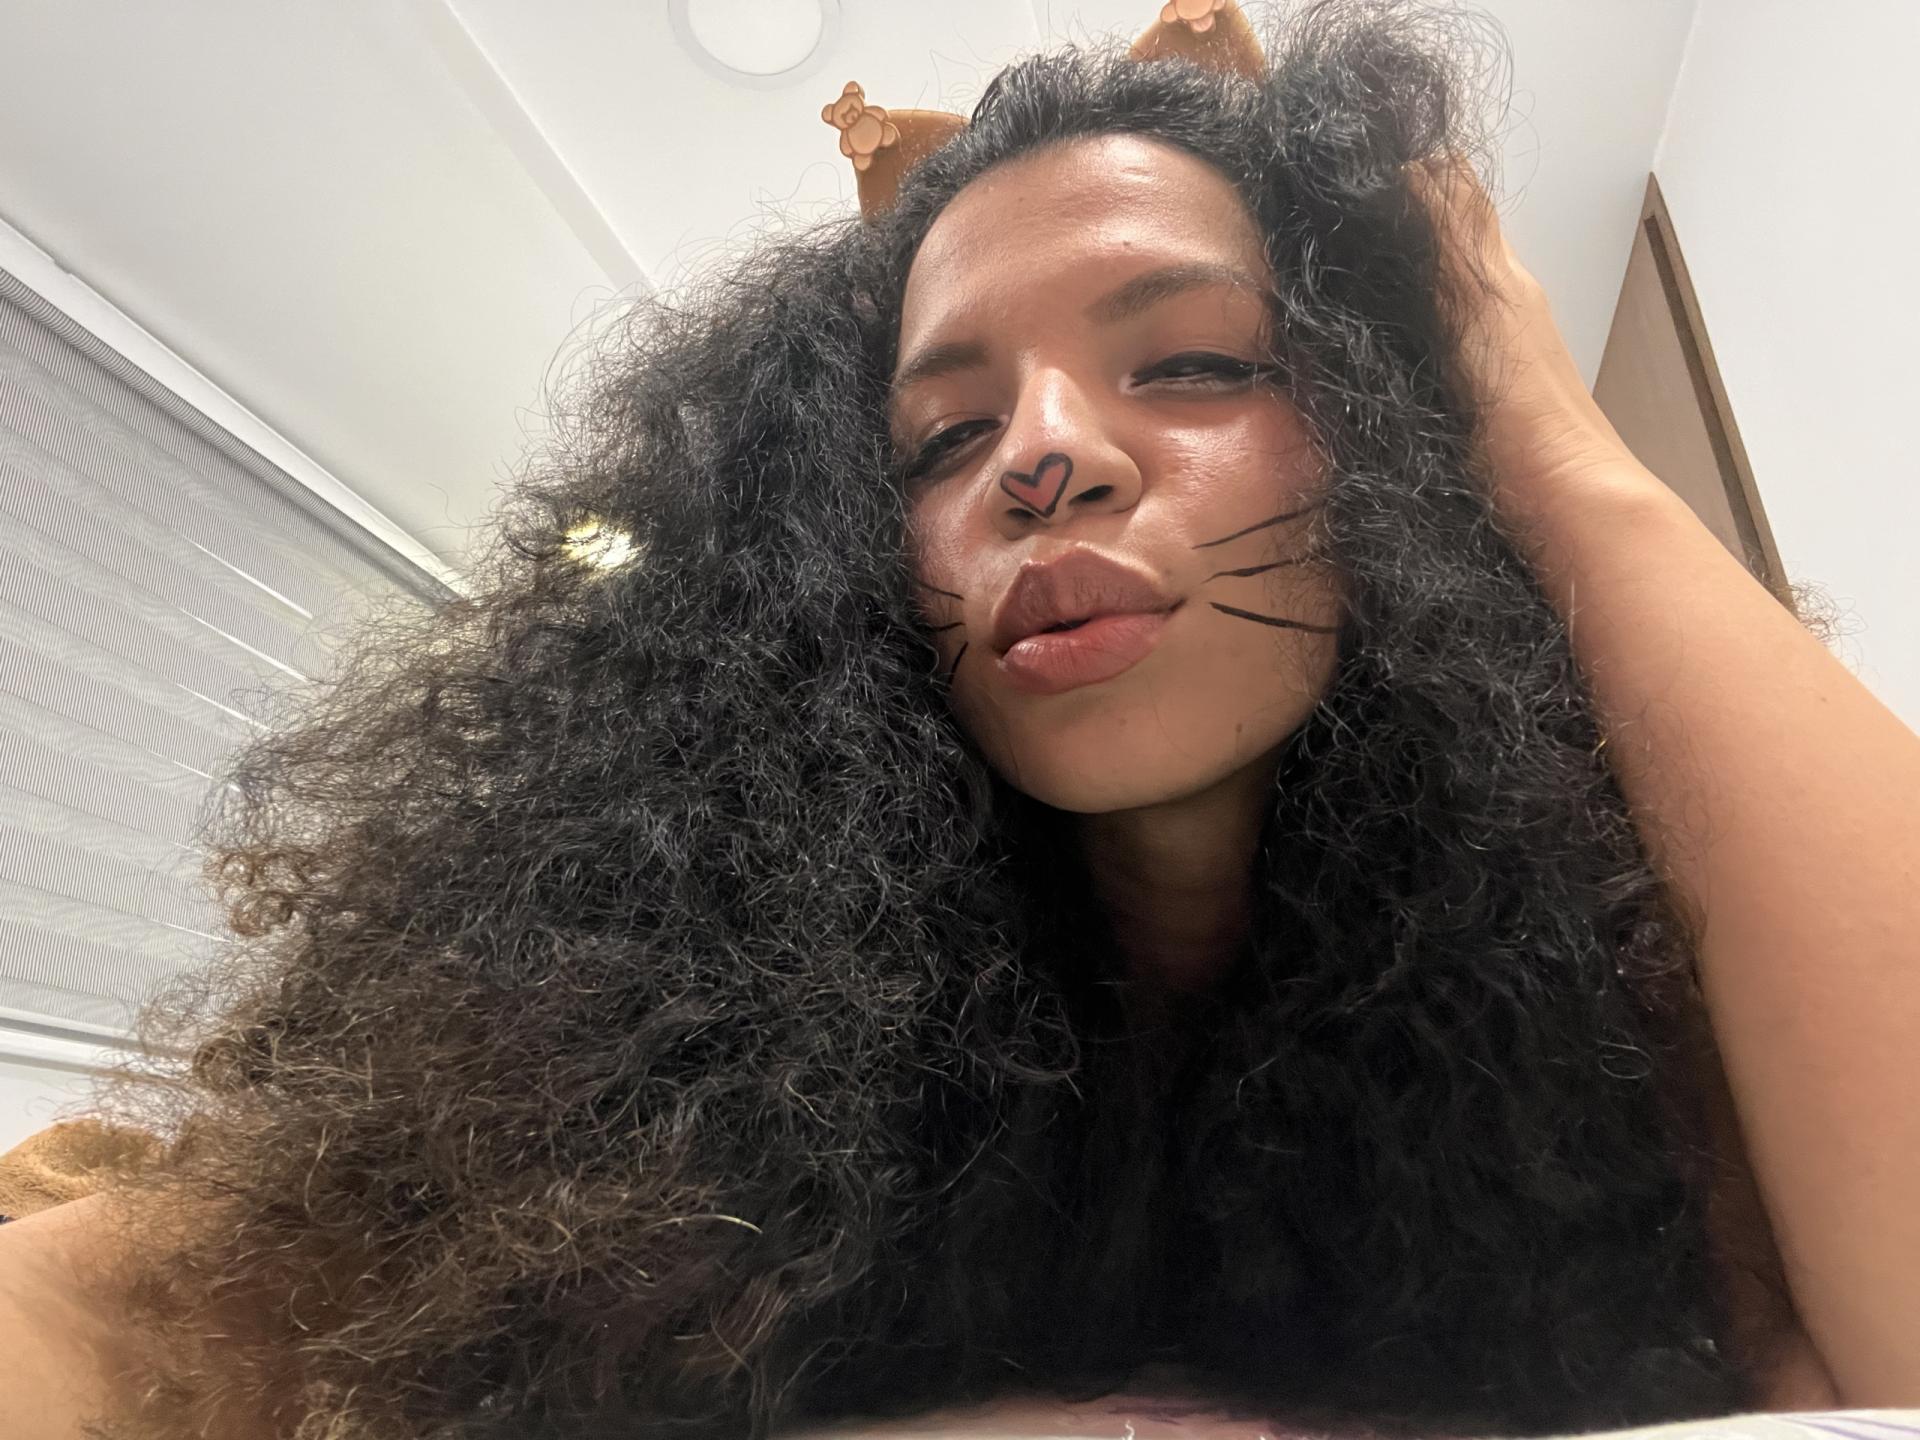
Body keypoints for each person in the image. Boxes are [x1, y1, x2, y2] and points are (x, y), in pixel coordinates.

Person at [2, 2, 1917, 1437]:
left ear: (1405, 461)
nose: (1044, 457)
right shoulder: (655, 1063)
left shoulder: (1636, 1033)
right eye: (943, 436)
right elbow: (130, 1316)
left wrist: (1552, 437)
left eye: (1195, 362)